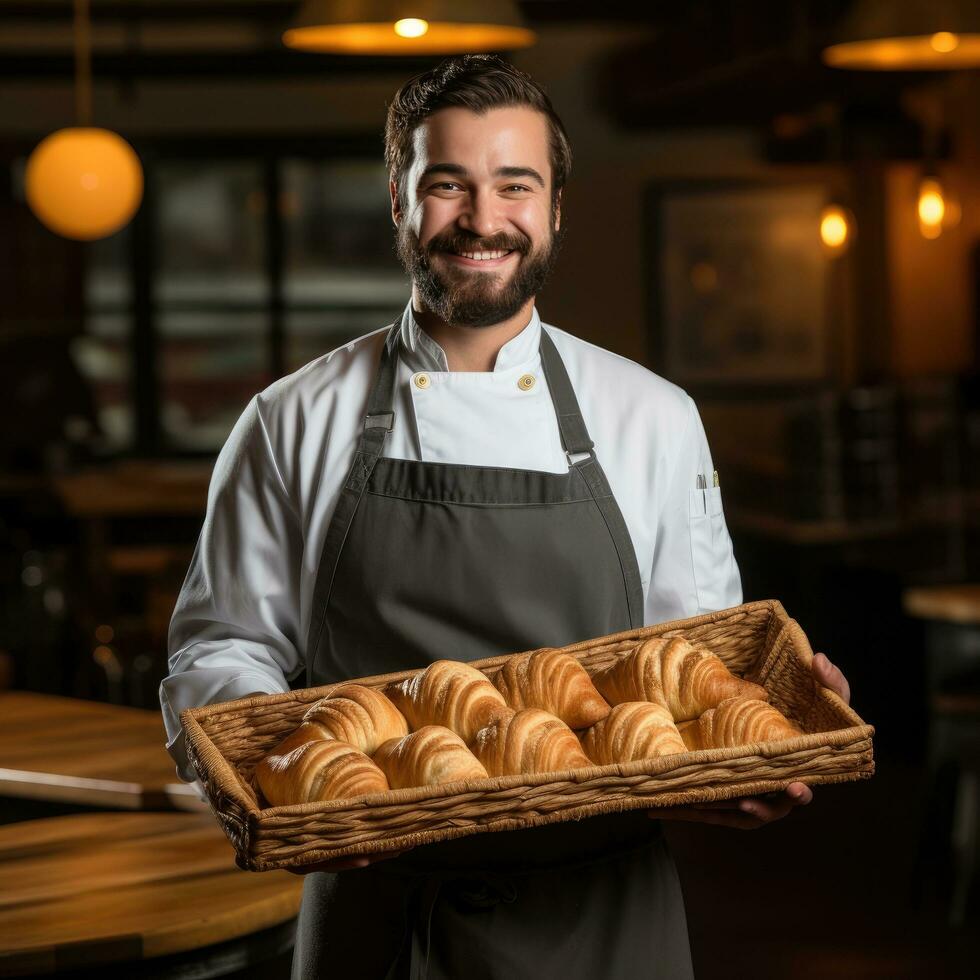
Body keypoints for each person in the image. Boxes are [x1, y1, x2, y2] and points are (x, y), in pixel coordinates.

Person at [160, 54, 852, 979]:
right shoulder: (292, 419)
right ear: (400, 202)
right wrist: (293, 793)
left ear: (556, 208)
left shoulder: (650, 415)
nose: (483, 221)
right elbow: (221, 649)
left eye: (514, 186)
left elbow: (695, 664)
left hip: (604, 915)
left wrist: (750, 750)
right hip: (378, 914)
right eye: (448, 185)